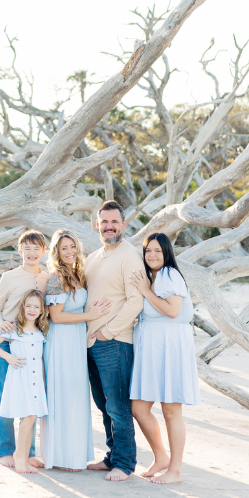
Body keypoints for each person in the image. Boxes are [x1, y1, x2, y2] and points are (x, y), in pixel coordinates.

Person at [129, 232, 201, 485]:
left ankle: (176, 470)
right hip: (150, 349)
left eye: (158, 251)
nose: (152, 255)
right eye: (148, 250)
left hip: (170, 348)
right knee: (138, 407)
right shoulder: (153, 276)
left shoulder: (170, 274)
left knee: (171, 411)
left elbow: (172, 311)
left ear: (167, 253)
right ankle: (161, 457)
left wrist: (146, 292)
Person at [40, 230, 111, 471]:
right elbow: (56, 317)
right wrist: (90, 315)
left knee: (77, 396)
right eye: (63, 248)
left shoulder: (78, 274)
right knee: (63, 395)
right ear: (56, 253)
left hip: (77, 342)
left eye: (72, 247)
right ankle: (61, 457)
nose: (69, 252)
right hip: (60, 342)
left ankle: (75, 454)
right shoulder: (56, 278)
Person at [85, 200, 145, 482]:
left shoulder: (130, 256)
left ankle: (124, 463)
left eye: (114, 222)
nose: (109, 226)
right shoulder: (94, 257)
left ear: (123, 224)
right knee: (101, 403)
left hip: (116, 341)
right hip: (90, 343)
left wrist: (108, 331)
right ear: (97, 225)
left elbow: (136, 301)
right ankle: (111, 456)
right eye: (104, 222)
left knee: (118, 406)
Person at [0, 229, 48, 468]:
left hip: (34, 342)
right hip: (8, 341)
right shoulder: (9, 277)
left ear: (43, 251)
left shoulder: (48, 278)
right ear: (19, 249)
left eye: (37, 248)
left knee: (31, 396)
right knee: (5, 396)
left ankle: (28, 452)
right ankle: (4, 450)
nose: (32, 253)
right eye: (27, 248)